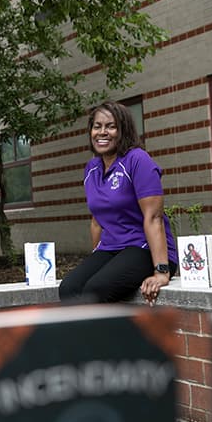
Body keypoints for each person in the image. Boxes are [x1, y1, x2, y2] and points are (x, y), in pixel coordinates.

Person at [58, 101, 178, 306]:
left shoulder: (138, 160)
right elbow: (97, 220)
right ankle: (85, 338)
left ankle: (109, 338)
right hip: (112, 248)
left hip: (145, 248)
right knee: (69, 288)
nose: (102, 132)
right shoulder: (91, 169)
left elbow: (154, 217)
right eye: (97, 126)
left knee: (96, 289)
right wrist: (97, 261)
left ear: (123, 130)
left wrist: (161, 272)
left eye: (111, 126)